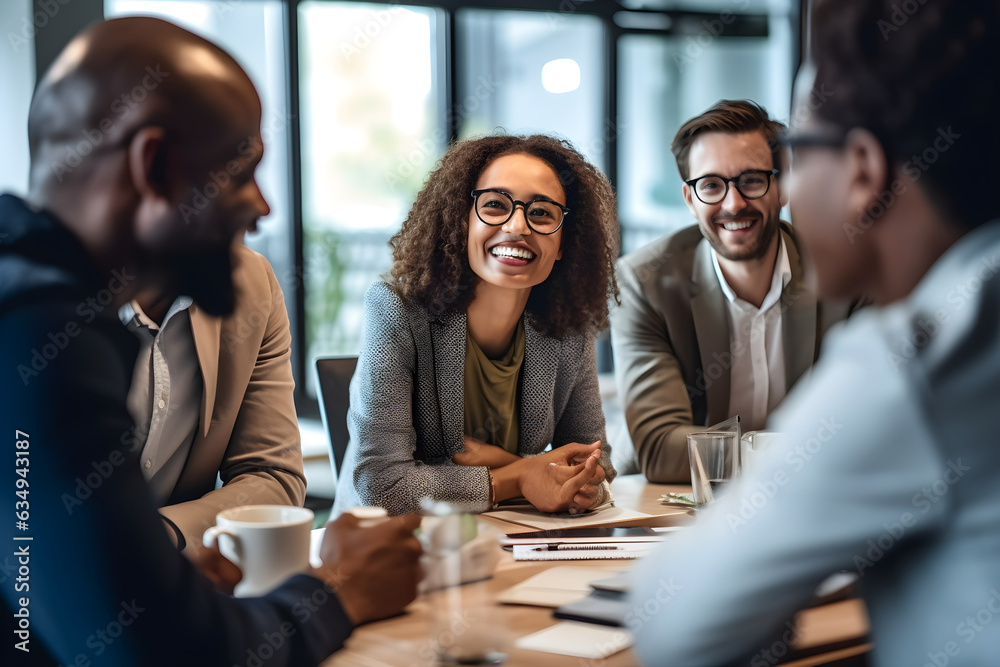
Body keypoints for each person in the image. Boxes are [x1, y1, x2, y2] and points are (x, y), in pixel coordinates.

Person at [0, 17, 421, 666]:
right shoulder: (36, 333)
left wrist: (157, 581)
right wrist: (337, 588)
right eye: (241, 171)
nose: (263, 205)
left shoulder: (40, 298)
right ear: (157, 166)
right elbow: (166, 657)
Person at [629, 1, 1000, 665]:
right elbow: (658, 442)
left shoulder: (918, 356)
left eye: (791, 157)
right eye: (712, 185)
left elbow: (677, 622)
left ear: (862, 170)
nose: (755, 199)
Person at [333, 134, 620, 517]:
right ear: (462, 220)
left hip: (515, 544)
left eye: (541, 213)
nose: (518, 226)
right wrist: (518, 477)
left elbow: (596, 465)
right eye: (496, 205)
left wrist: (508, 462)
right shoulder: (398, 308)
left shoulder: (568, 324)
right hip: (397, 551)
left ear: (564, 242)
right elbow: (382, 486)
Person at [611, 100, 854, 482]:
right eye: (711, 185)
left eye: (752, 180)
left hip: (810, 496)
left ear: (782, 186)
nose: (733, 203)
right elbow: (663, 449)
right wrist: (790, 451)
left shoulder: (845, 271)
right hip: (663, 504)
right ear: (690, 199)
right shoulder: (644, 283)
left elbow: (869, 424)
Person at [122, 243, 306, 552]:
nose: (262, 207)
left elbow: (274, 478)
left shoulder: (251, 282)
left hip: (183, 573)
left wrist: (161, 537)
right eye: (234, 190)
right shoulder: (36, 300)